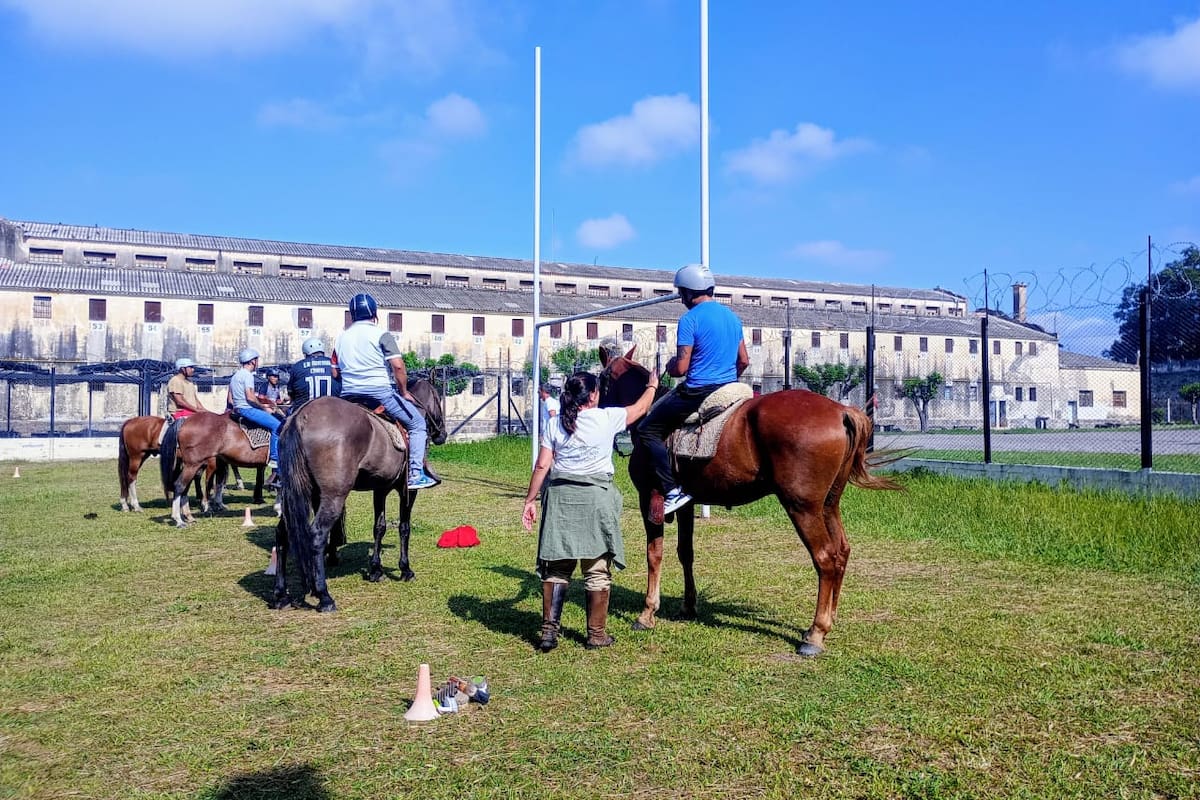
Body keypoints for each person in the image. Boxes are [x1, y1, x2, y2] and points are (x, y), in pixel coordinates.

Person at [521, 370, 658, 652]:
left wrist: (530, 500)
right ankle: (596, 635)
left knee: (557, 568)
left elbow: (542, 466)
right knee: (596, 569)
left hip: (560, 499)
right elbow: (642, 407)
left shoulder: (555, 422)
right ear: (594, 395)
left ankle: (549, 633)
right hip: (596, 499)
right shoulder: (607, 418)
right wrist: (653, 384)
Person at [637, 263, 750, 518]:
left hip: (698, 390)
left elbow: (682, 367)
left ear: (688, 292)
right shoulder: (732, 317)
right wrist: (728, 379)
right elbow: (743, 360)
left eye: (681, 293)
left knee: (647, 430)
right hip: (731, 387)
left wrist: (669, 366)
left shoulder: (689, 319)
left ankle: (672, 489)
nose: (681, 298)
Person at [334, 293, 437, 490]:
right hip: (379, 393)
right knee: (417, 424)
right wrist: (404, 391)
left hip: (347, 396)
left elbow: (334, 371)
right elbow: (398, 367)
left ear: (352, 315)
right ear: (374, 313)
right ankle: (415, 473)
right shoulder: (381, 334)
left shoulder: (341, 338)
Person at [228, 347, 281, 473]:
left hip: (238, 409)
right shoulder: (247, 375)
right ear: (252, 361)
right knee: (278, 426)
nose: (257, 362)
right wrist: (263, 407)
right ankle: (274, 458)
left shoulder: (235, 375)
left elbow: (231, 398)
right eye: (257, 360)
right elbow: (250, 397)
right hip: (247, 409)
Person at [288, 337, 340, 410]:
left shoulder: (297, 366)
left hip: (305, 410)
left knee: (286, 418)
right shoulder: (334, 365)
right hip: (333, 409)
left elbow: (291, 392)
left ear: (305, 353)